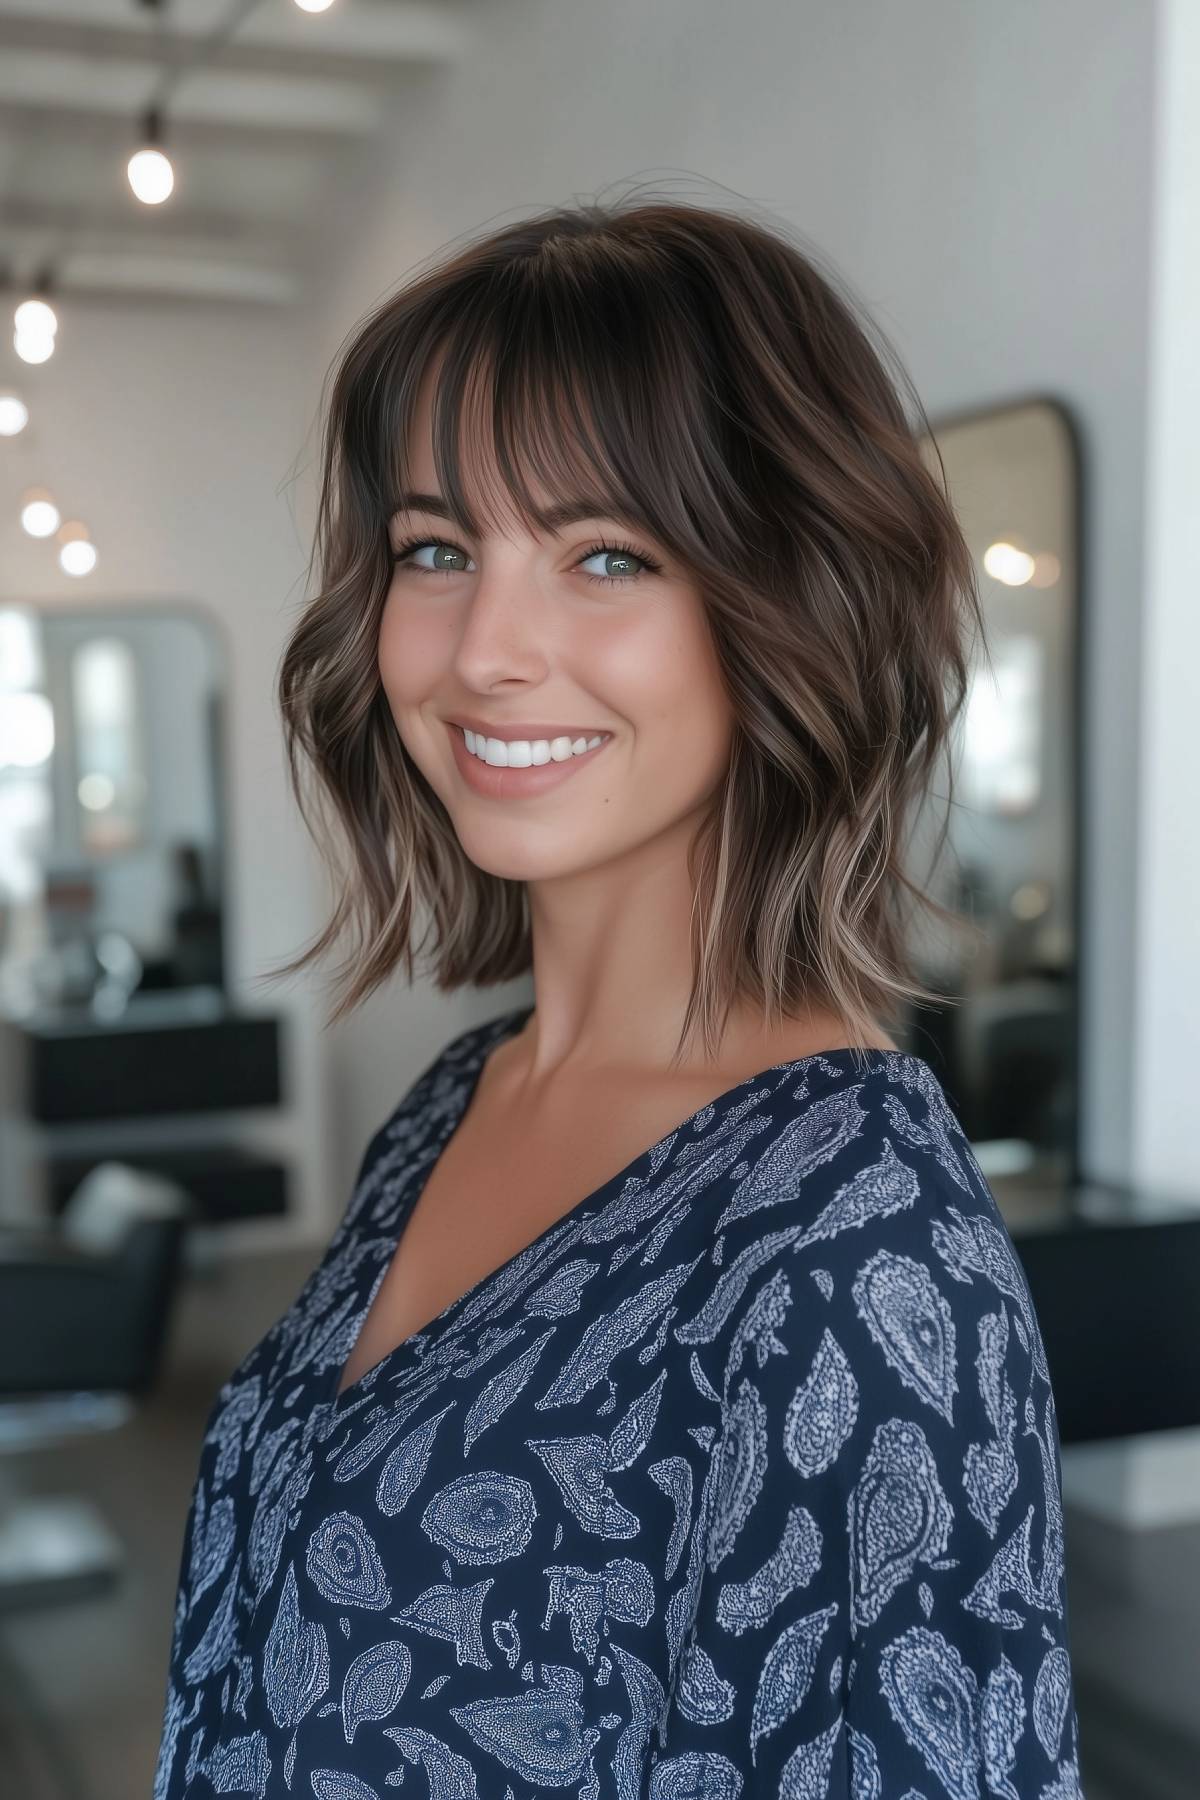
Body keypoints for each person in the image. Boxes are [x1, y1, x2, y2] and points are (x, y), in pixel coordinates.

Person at [152, 194, 1083, 1800]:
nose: (486, 650)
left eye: (605, 555)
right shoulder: (461, 1095)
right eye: (436, 550)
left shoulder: (855, 1255)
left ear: (782, 602)